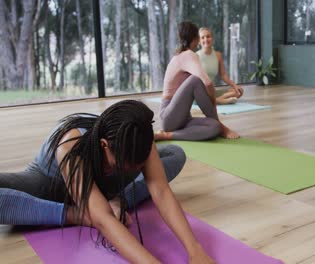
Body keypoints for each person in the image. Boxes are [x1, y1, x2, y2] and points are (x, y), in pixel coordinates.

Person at [0, 100, 215, 264]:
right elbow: (104, 220)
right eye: (124, 164)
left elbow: (160, 191)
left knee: (175, 153)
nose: (132, 169)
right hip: (48, 183)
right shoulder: (70, 144)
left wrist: (195, 249)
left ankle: (114, 199)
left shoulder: (138, 140)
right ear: (104, 145)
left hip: (105, 185)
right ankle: (76, 213)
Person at [154, 21, 239, 141]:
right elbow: (207, 82)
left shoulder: (180, 55)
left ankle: (171, 134)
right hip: (169, 116)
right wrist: (213, 103)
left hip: (182, 118)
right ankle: (165, 135)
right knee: (195, 80)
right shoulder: (189, 55)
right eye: (199, 38)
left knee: (214, 127)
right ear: (195, 39)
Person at [197, 27, 244, 105]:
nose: (206, 39)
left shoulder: (218, 55)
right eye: (202, 37)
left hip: (212, 91)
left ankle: (218, 100)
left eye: (208, 36)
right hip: (200, 92)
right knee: (204, 96)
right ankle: (218, 100)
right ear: (199, 41)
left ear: (212, 38)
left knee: (238, 91)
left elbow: (223, 75)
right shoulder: (195, 56)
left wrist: (235, 85)